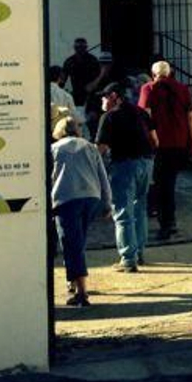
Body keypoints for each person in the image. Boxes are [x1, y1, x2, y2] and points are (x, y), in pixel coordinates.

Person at [51, 117, 111, 307]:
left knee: (71, 244)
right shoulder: (90, 147)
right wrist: (107, 203)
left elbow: (47, 179)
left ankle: (82, 291)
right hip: (91, 198)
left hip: (66, 199)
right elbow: (103, 176)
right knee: (79, 241)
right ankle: (74, 281)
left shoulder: (54, 149)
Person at [95, 82, 155, 272]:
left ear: (114, 96)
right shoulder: (141, 112)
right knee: (140, 209)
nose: (102, 100)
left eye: (104, 96)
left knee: (122, 212)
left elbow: (100, 150)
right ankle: (139, 253)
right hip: (146, 163)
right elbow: (156, 140)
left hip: (123, 165)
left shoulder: (109, 117)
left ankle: (128, 259)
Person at [139, 60, 192, 241]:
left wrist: (147, 139)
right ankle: (169, 222)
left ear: (153, 73)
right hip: (179, 142)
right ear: (170, 72)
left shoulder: (148, 88)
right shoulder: (182, 89)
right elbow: (190, 117)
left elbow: (144, 115)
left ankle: (165, 224)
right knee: (169, 183)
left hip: (158, 144)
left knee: (159, 184)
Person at [62, 37, 102, 108]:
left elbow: (99, 78)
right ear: (74, 48)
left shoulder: (93, 60)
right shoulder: (69, 62)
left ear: (86, 47)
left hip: (91, 96)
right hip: (76, 95)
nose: (80, 49)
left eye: (82, 47)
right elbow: (62, 79)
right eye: (78, 47)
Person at [48, 66, 79, 136]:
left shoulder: (39, 93)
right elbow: (74, 116)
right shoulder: (66, 96)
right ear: (60, 78)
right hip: (59, 131)